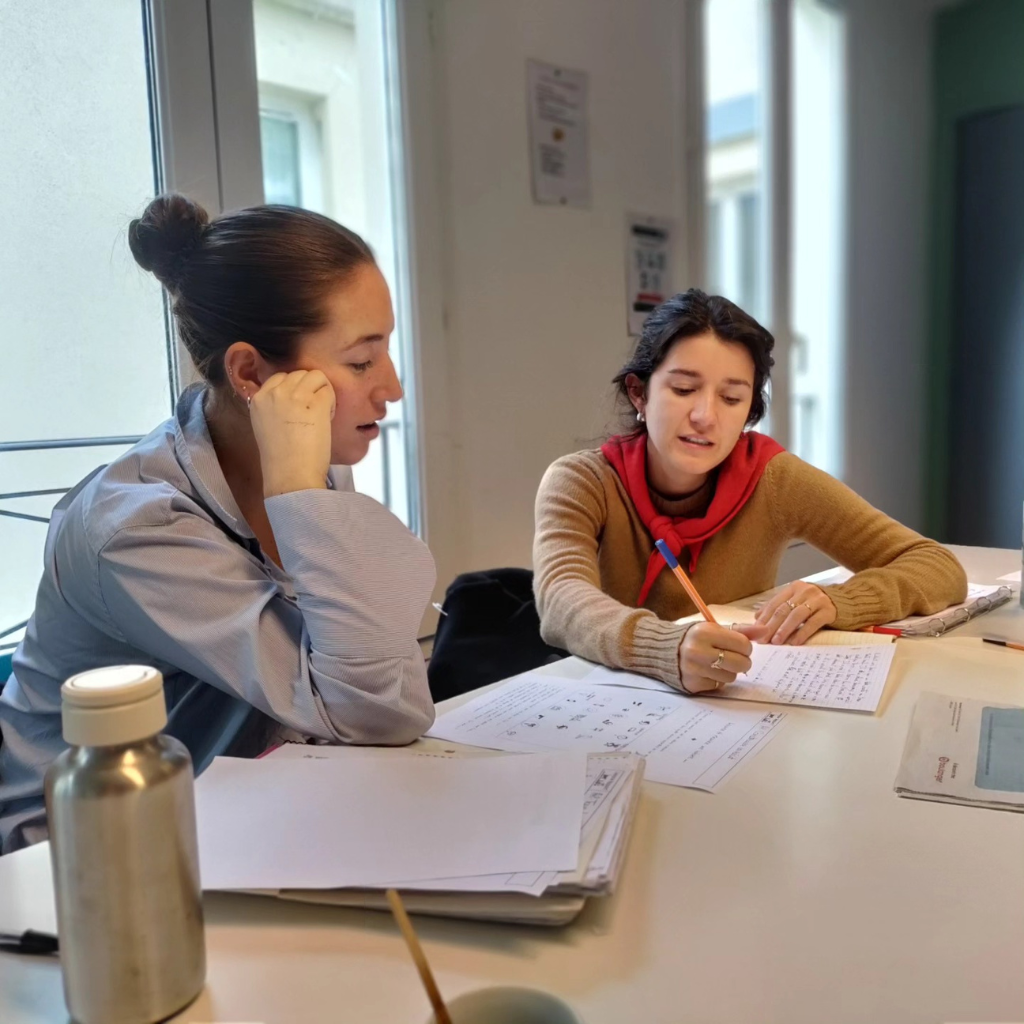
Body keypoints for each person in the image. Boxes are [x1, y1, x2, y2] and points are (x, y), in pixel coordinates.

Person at [0, 195, 435, 853]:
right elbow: (373, 710)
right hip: (72, 861)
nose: (392, 387)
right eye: (360, 360)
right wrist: (299, 494)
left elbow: (382, 687)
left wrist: (300, 488)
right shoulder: (137, 529)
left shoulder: (304, 464)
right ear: (251, 373)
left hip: (229, 811)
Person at [533, 289, 967, 695]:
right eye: (684, 389)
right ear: (639, 394)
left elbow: (937, 565)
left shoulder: (772, 479)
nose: (706, 416)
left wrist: (838, 602)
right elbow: (561, 600)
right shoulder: (582, 481)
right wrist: (665, 646)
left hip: (735, 706)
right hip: (606, 702)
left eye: (732, 398)